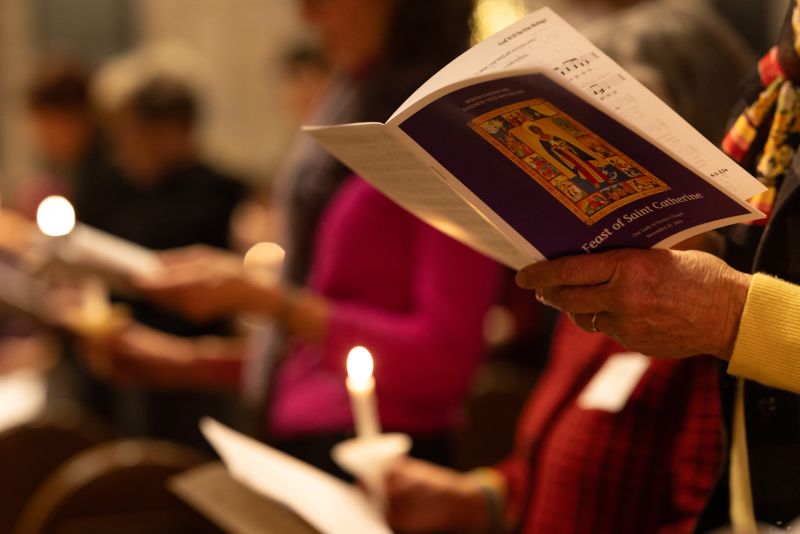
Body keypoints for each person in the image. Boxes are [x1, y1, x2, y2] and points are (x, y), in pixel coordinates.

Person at [93, 0, 498, 477]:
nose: (308, 16)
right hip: (305, 441)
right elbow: (314, 358)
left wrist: (267, 301)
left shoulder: (447, 124)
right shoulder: (354, 98)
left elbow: (444, 360)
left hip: (389, 461)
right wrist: (183, 363)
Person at [515, 2, 800, 530]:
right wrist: (482, 498)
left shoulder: (689, 310)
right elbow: (545, 465)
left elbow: (696, 507)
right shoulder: (618, 287)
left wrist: (731, 314)